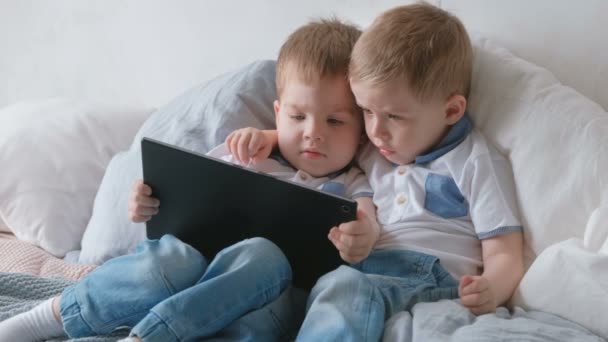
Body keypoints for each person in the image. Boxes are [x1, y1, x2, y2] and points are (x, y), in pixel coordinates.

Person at [0, 18, 379, 342]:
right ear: (278, 114)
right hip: (188, 277)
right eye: (298, 117)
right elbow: (183, 196)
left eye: (334, 121)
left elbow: (367, 218)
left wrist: (364, 234)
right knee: (170, 257)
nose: (313, 133)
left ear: (361, 130)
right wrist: (146, 203)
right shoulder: (244, 154)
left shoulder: (353, 183)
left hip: (261, 301)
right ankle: (45, 319)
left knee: (261, 254)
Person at [228, 3, 525, 341]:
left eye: (394, 116)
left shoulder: (474, 160)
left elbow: (505, 251)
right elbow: (316, 146)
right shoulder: (373, 149)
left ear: (451, 110)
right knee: (284, 301)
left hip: (431, 277)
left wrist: (493, 288)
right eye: (366, 111)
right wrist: (267, 138)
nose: (376, 130)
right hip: (367, 271)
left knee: (342, 286)